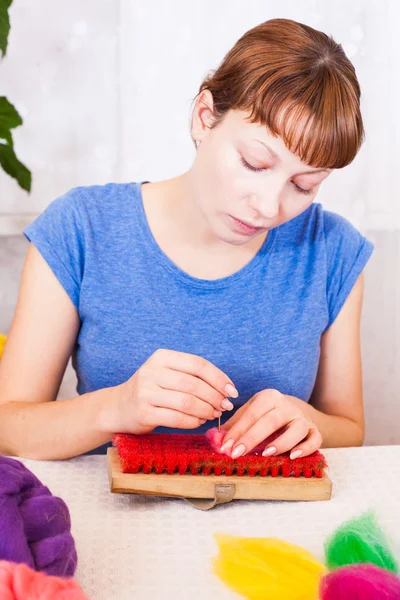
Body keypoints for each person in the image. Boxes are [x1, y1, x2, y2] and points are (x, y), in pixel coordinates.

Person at [0, 18, 373, 461]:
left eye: (304, 185)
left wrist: (305, 420)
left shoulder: (332, 252)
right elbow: (8, 427)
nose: (270, 207)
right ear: (203, 117)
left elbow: (349, 429)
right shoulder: (81, 229)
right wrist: (115, 408)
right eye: (255, 163)